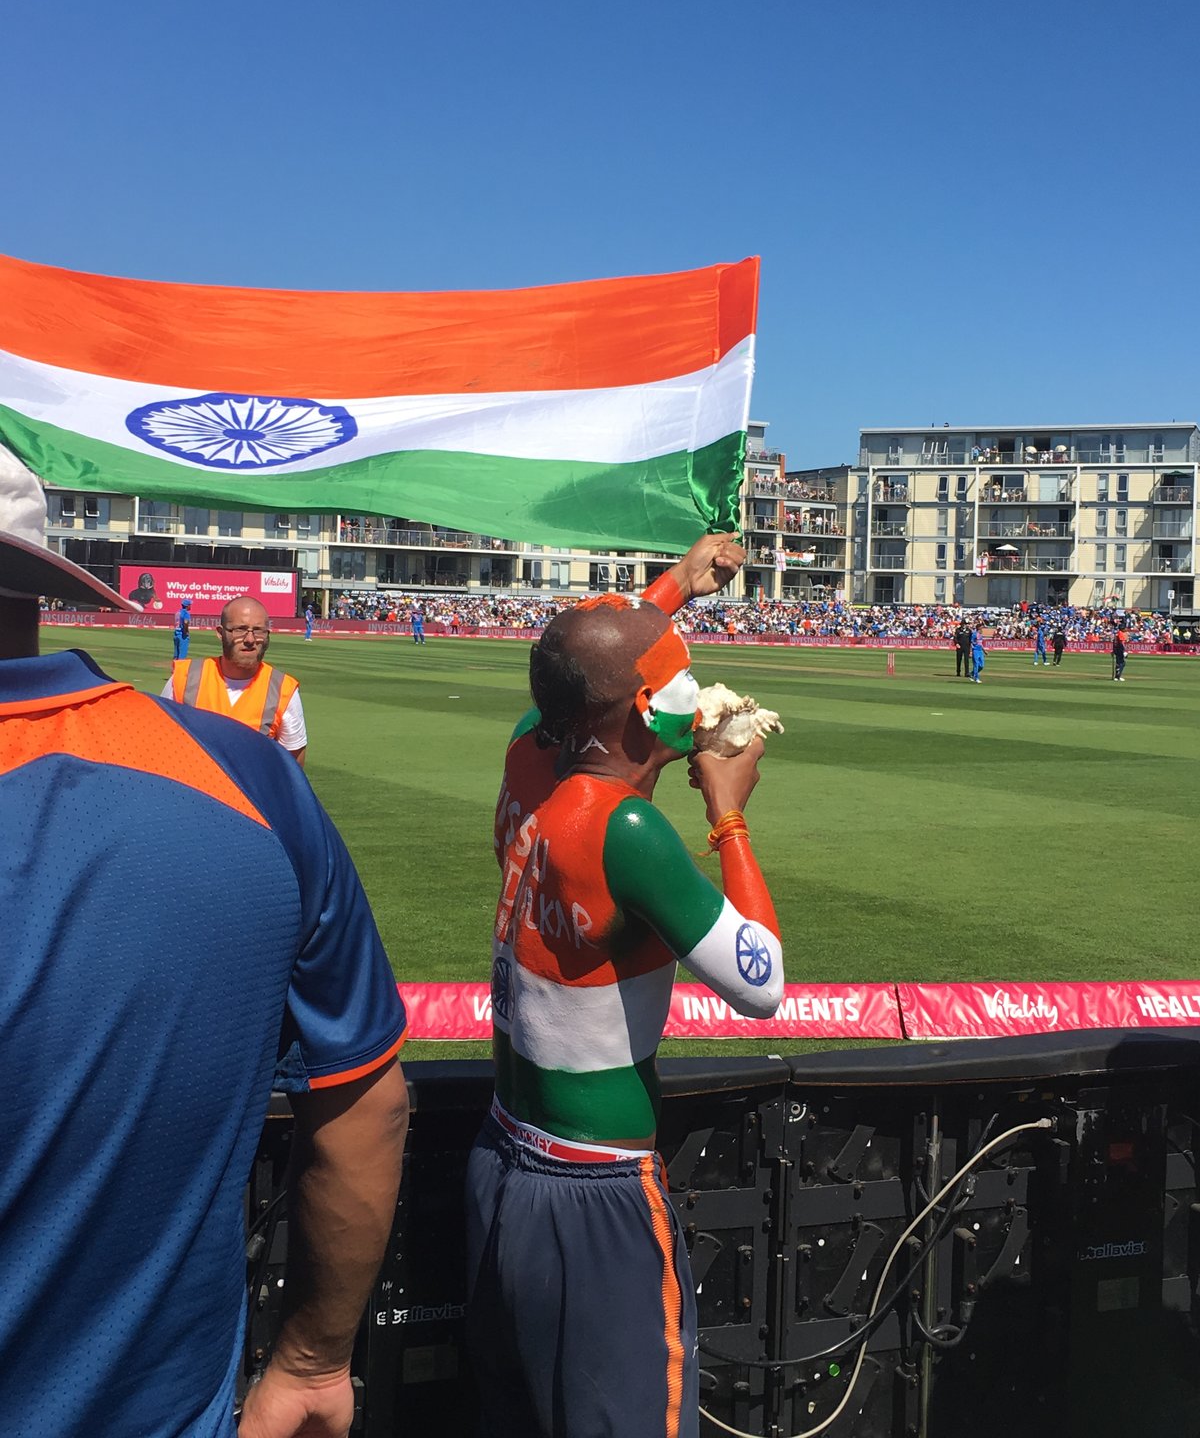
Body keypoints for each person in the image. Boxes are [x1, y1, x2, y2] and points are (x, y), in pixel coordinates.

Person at [0, 443, 409, 1438]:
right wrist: (313, 1358)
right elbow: (365, 1103)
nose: (248, 641)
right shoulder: (244, 773)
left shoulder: (272, 736)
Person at [466, 533, 784, 1438]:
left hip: (505, 1156)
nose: (696, 689)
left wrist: (679, 583)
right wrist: (727, 813)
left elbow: (580, 673)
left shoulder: (531, 755)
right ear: (647, 709)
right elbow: (761, 980)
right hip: (596, 1189)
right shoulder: (628, 833)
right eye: (682, 678)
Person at [163, 596, 308, 765]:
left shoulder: (283, 690)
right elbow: (161, 742)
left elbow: (292, 768)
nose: (250, 640)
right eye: (240, 629)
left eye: (258, 631)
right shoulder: (185, 678)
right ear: (220, 633)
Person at [174, 596, 192, 660]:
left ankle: (174, 666)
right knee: (182, 656)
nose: (190, 606)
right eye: (190, 605)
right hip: (182, 635)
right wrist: (186, 632)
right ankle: (180, 666)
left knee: (176, 655)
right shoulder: (186, 613)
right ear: (187, 606)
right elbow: (186, 622)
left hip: (176, 634)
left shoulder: (178, 612)